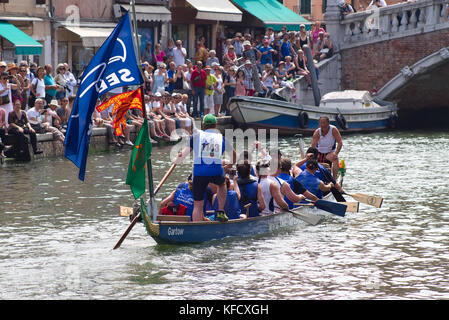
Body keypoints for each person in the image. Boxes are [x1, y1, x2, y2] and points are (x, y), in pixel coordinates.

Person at [174, 114, 232, 222]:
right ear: (215, 125)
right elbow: (233, 155)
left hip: (199, 173)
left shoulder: (195, 137)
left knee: (198, 205)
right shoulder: (221, 138)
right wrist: (229, 165)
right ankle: (220, 211)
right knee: (222, 184)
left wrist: (177, 158)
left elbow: (183, 154)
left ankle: (197, 226)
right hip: (216, 171)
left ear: (203, 125)